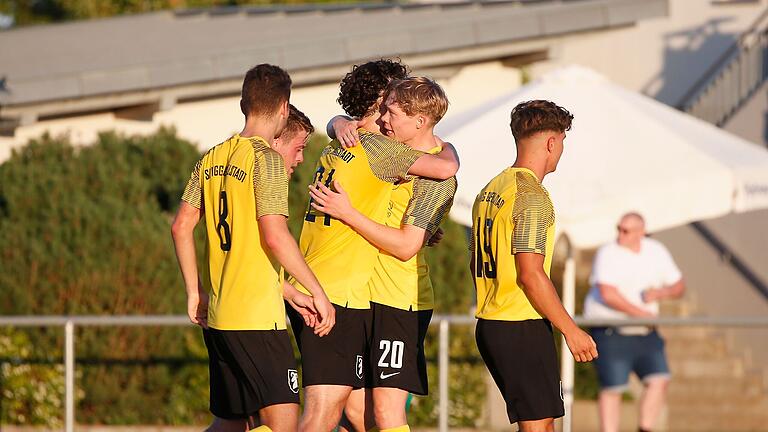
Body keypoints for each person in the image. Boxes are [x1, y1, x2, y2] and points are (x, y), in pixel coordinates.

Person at [287, 59, 460, 432]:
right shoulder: (378, 148)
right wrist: (450, 148)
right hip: (337, 292)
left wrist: (338, 121)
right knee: (328, 410)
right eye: (394, 101)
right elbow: (446, 167)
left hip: (339, 287)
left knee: (358, 413)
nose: (393, 113)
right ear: (383, 100)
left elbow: (414, 224)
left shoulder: (342, 141)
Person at [170, 64, 335, 432]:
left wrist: (195, 293)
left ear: (244, 104)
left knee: (231, 423)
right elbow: (274, 236)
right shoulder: (267, 160)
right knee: (284, 423)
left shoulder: (211, 157)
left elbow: (181, 225)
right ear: (284, 108)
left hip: (221, 314)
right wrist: (317, 292)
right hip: (257, 321)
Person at [471, 100, 597, 432]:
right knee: (538, 427)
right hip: (519, 323)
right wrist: (571, 330)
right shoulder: (531, 195)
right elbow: (530, 273)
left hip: (491, 322)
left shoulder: (491, 189)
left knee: (542, 425)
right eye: (562, 143)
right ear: (552, 143)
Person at [583, 212, 685, 432]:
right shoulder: (608, 252)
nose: (620, 234)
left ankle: (645, 428)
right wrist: (640, 313)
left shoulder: (656, 251)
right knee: (613, 388)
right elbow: (608, 294)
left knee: (660, 379)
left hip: (645, 331)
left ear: (641, 232)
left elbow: (679, 286)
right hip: (610, 329)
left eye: (626, 230)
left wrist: (661, 292)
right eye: (618, 228)